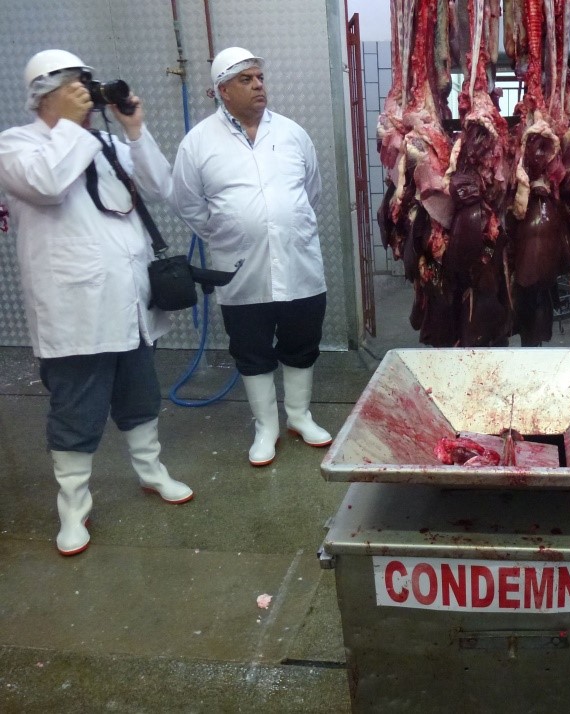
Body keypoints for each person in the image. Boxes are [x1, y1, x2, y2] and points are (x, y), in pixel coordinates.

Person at [0, 50, 193, 556]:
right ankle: (73, 509)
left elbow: (160, 185)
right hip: (73, 314)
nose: (86, 93)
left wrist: (134, 130)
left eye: (88, 84)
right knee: (76, 412)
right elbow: (47, 184)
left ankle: (152, 472)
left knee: (140, 398)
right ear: (44, 92)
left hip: (129, 304)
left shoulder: (105, 143)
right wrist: (68, 125)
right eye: (74, 85)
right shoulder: (16, 147)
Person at [171, 47, 333, 467]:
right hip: (241, 272)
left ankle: (299, 416)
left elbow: (311, 192)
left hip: (298, 265)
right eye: (246, 80)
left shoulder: (293, 134)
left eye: (260, 77)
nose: (259, 85)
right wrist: (228, 232)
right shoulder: (199, 143)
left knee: (301, 343)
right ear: (223, 90)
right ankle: (267, 426)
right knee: (252, 348)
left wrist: (283, 223)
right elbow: (187, 203)